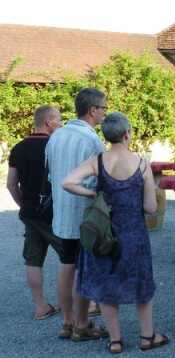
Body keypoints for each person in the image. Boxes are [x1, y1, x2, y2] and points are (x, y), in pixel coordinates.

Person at [62, 112, 168, 353]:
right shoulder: (142, 164)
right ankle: (147, 336)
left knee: (107, 282)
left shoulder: (97, 161)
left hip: (105, 234)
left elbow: (67, 182)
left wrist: (92, 194)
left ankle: (115, 340)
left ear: (107, 136)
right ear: (127, 134)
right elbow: (151, 208)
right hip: (134, 235)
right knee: (141, 285)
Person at [45, 88, 107, 341]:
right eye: (103, 107)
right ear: (92, 110)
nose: (105, 112)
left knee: (65, 264)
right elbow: (99, 179)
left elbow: (49, 174)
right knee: (84, 268)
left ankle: (67, 321)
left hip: (61, 213)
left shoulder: (56, 136)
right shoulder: (92, 141)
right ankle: (82, 323)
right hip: (84, 214)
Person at [7, 106, 63, 320]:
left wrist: (24, 205)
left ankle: (41, 307)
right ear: (48, 122)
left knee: (33, 260)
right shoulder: (56, 147)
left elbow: (11, 184)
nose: (60, 123)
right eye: (58, 119)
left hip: (30, 213)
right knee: (71, 257)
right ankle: (84, 305)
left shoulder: (18, 148)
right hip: (54, 213)